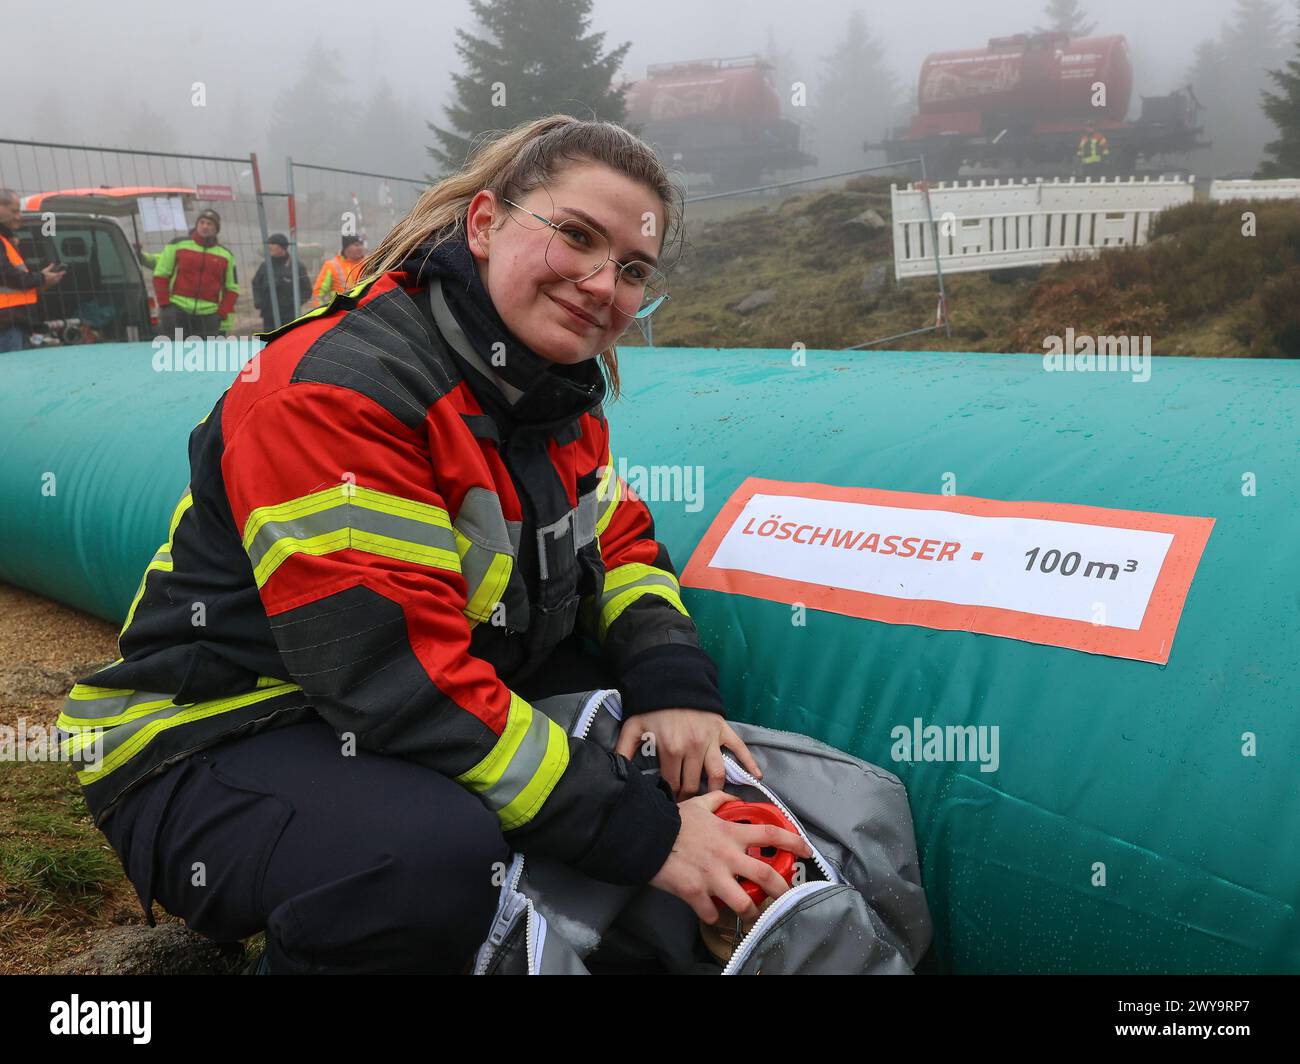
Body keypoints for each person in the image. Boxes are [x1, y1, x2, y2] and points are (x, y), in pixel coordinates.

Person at [58, 114, 810, 975]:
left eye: (633, 268)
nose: (604, 284)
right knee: (426, 859)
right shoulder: (343, 393)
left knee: (641, 757)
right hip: (215, 738)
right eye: (575, 236)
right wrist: (644, 837)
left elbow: (620, 543)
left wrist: (674, 687)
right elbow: (394, 680)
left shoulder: (551, 395)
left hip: (404, 707)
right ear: (486, 223)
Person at [152, 207, 238, 338]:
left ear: (216, 229)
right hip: (177, 310)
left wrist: (221, 314)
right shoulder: (177, 245)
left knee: (205, 357)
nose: (205, 226)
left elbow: (232, 289)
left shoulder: (226, 256)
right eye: (202, 222)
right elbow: (161, 275)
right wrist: (165, 305)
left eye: (209, 224)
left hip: (209, 315)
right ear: (197, 225)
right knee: (173, 354)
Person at [0, 188, 66, 352]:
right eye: (14, 211)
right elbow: (8, 276)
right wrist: (41, 278)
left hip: (14, 323)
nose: (19, 217)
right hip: (6, 325)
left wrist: (39, 281)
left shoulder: (6, 241)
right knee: (12, 373)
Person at [251, 232, 310, 331]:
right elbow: (256, 284)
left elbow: (307, 290)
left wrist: (294, 303)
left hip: (289, 317)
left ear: (281, 247)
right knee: (270, 343)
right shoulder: (265, 266)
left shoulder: (296, 266)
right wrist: (259, 302)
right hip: (269, 315)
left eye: (273, 244)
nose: (269, 247)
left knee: (288, 343)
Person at [310, 233, 366, 307]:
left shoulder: (368, 263)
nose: (360, 248)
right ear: (346, 248)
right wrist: (322, 314)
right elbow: (318, 293)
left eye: (361, 245)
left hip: (364, 311)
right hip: (340, 312)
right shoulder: (331, 265)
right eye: (356, 245)